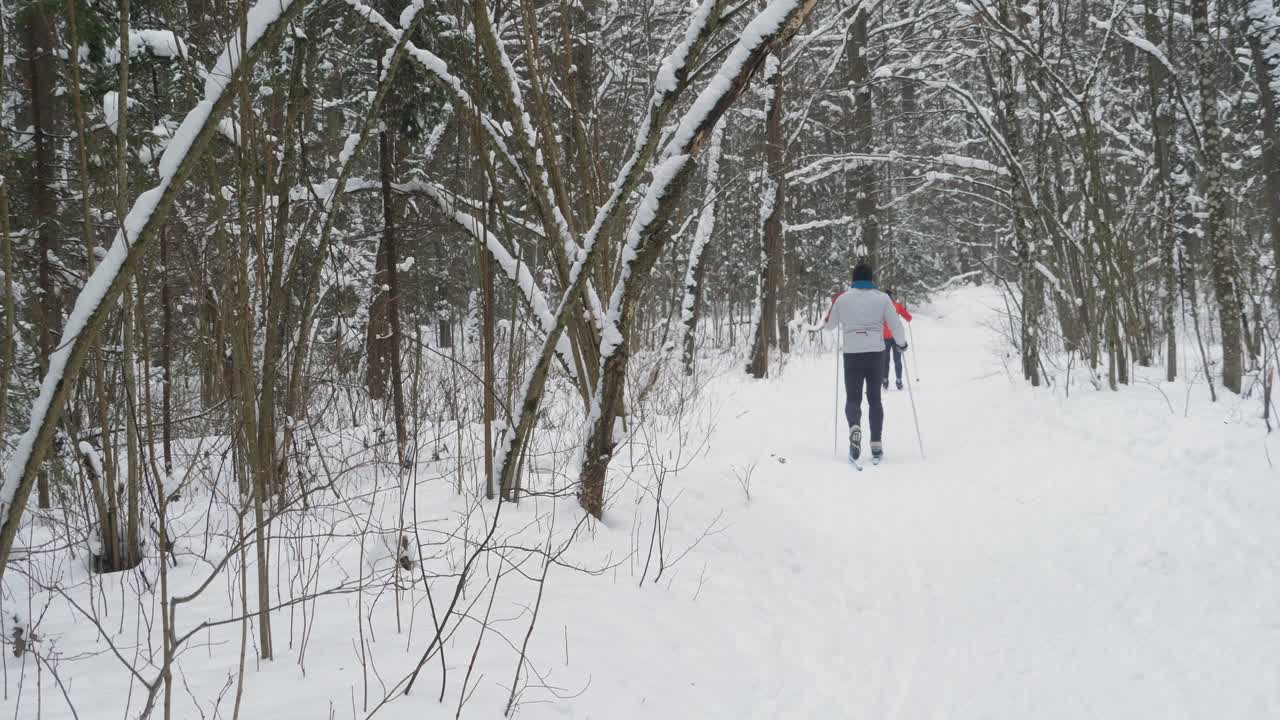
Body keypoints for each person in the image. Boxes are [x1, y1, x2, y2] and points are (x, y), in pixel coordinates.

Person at [823, 263, 907, 462]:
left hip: (852, 353)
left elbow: (829, 325)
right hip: (875, 353)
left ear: (853, 279)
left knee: (853, 398)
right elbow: (896, 325)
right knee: (875, 399)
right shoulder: (882, 298)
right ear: (871, 279)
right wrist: (901, 345)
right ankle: (876, 444)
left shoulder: (842, 299)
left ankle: (854, 426)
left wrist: (832, 313)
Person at [881, 289, 913, 390]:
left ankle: (885, 380)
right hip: (896, 337)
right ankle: (899, 381)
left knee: (885, 361)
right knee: (897, 360)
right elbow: (909, 318)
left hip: (884, 338)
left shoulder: (880, 307)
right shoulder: (896, 306)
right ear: (892, 297)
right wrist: (903, 308)